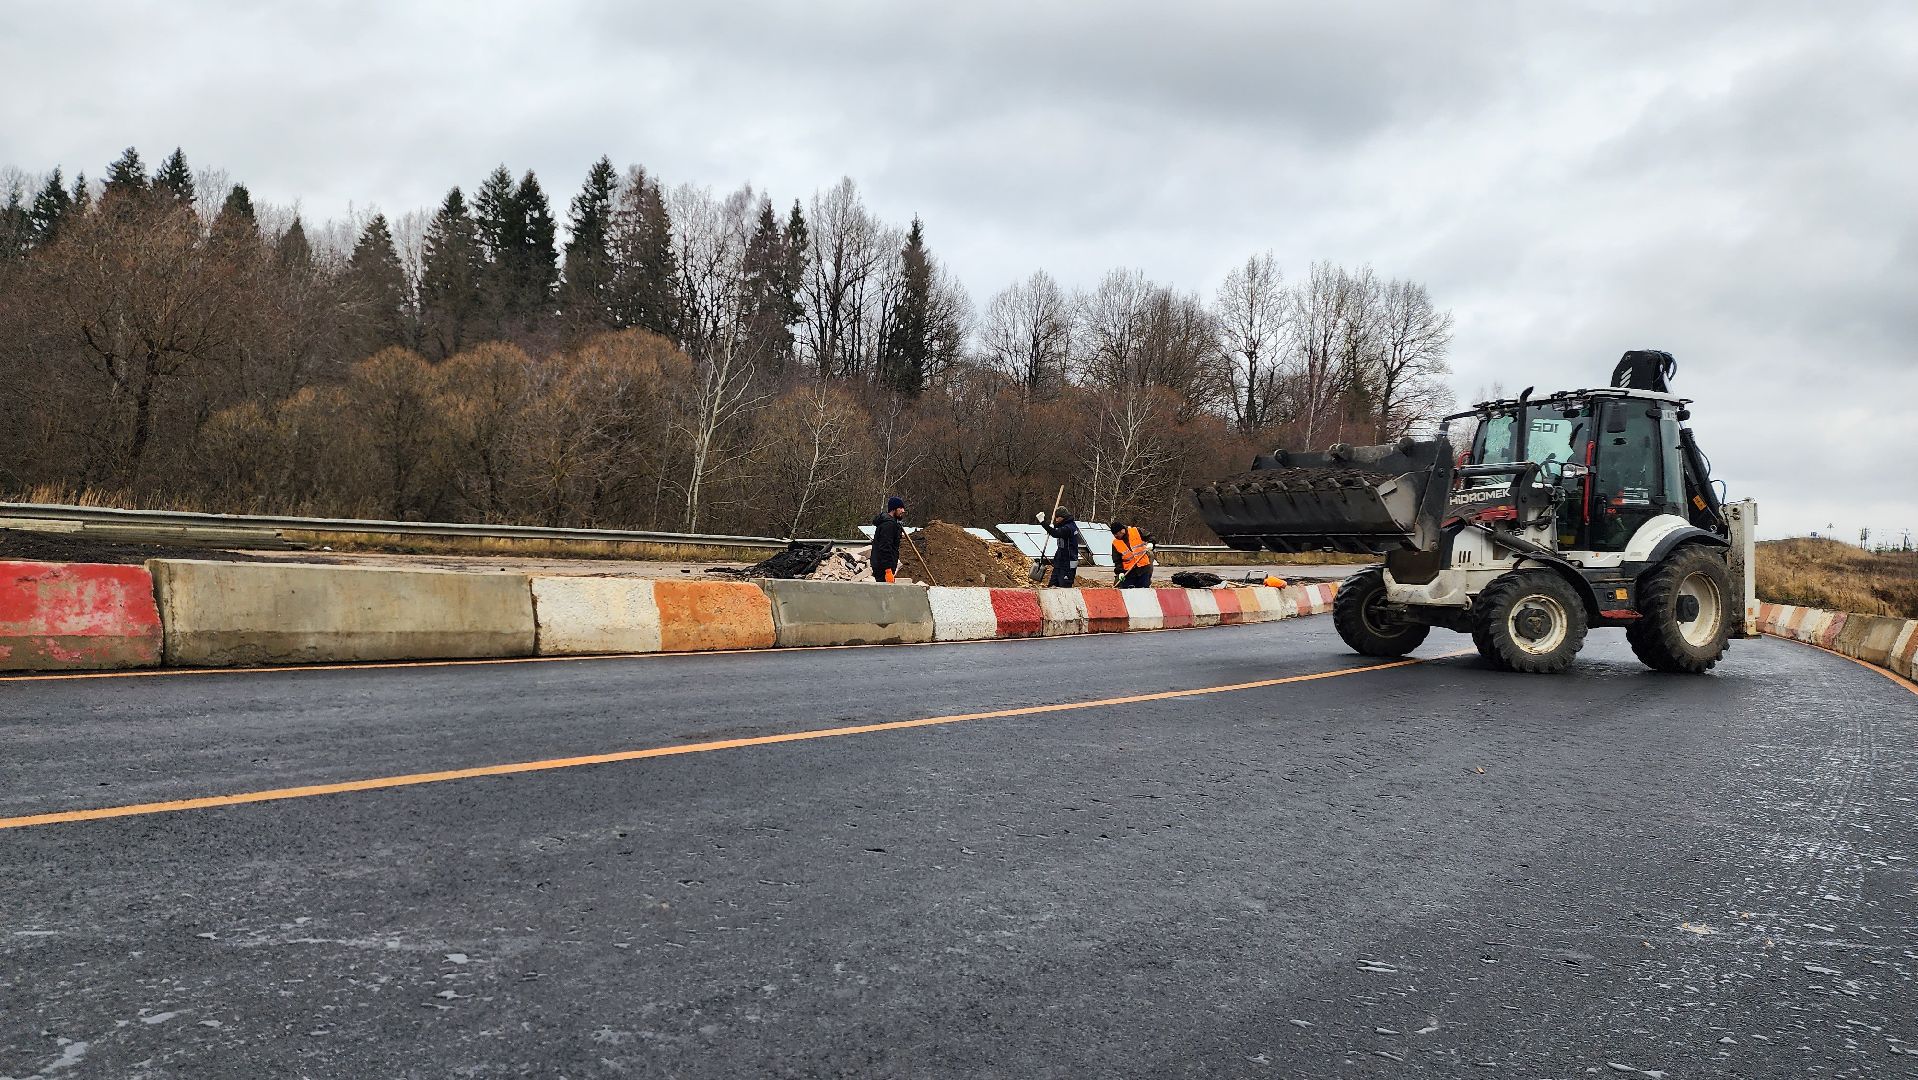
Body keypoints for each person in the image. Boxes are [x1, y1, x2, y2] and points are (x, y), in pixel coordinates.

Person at [1034, 506, 1082, 587]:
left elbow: (1056, 533)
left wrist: (1043, 522)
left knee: (1064, 588)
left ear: (1063, 517)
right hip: (1060, 563)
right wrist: (1051, 528)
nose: (1056, 519)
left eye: (1057, 517)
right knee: (1052, 586)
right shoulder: (1065, 525)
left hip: (1068, 565)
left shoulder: (1069, 528)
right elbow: (1057, 530)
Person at [871, 496, 908, 583]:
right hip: (883, 568)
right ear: (893, 509)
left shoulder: (891, 523)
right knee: (884, 594)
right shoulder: (888, 525)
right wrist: (888, 570)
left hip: (883, 566)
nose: (903, 511)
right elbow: (885, 547)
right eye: (900, 508)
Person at [1109, 519, 1153, 589]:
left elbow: (1150, 536)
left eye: (1117, 534)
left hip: (1143, 569)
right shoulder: (1115, 543)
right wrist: (1120, 572)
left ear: (1122, 531)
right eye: (1114, 535)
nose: (1115, 536)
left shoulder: (1136, 531)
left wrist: (1151, 543)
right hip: (1129, 573)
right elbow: (1117, 560)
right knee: (1126, 591)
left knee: (1144, 591)